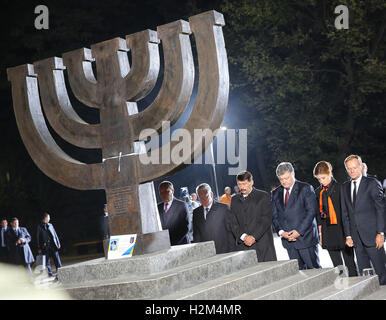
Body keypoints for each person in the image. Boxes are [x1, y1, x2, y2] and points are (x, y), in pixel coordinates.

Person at [340, 155, 386, 285]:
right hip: (356, 239)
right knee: (365, 273)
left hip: (373, 236)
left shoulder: (372, 183)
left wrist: (381, 233)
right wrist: (348, 235)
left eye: (354, 167)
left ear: (361, 167)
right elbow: (345, 214)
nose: (352, 171)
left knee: (381, 271)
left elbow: (381, 210)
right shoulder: (345, 187)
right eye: (349, 169)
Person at [272, 162, 321, 270]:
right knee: (298, 274)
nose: (284, 181)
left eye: (287, 178)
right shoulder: (276, 193)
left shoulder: (306, 188)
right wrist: (281, 232)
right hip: (288, 241)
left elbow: (311, 212)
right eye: (281, 179)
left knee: (314, 271)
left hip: (305, 239)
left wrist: (298, 232)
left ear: (293, 174)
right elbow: (275, 216)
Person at [313, 161, 357, 276]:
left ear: (330, 174)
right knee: (338, 266)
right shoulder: (318, 192)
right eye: (318, 179)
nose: (321, 181)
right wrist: (321, 234)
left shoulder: (341, 188)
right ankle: (343, 285)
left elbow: (347, 212)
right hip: (328, 232)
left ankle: (355, 282)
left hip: (342, 230)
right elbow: (319, 216)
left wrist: (349, 234)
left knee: (350, 263)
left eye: (323, 178)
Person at [229, 171, 277, 262]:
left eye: (244, 184)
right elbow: (233, 222)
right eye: (239, 184)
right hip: (243, 247)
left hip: (263, 246)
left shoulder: (263, 196)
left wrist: (253, 237)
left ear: (251, 182)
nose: (242, 187)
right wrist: (243, 237)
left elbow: (266, 219)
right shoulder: (234, 199)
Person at [193, 183, 235, 253]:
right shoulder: (196, 212)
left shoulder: (224, 208)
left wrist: (232, 251)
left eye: (206, 196)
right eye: (201, 197)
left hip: (224, 250)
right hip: (206, 252)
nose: (203, 199)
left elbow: (231, 232)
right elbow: (197, 235)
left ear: (211, 194)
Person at [157, 181, 191, 245]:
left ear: (172, 191)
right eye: (161, 192)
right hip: (165, 245)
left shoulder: (182, 205)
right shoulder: (158, 207)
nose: (163, 194)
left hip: (181, 244)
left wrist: (171, 242)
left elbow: (186, 227)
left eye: (166, 191)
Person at [36, 212, 62, 277]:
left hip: (53, 245)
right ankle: (50, 274)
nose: (49, 218)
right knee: (47, 261)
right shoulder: (39, 227)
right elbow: (37, 238)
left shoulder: (50, 225)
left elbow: (55, 235)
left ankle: (60, 271)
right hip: (45, 246)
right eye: (49, 217)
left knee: (56, 258)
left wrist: (58, 243)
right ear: (45, 218)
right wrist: (39, 248)